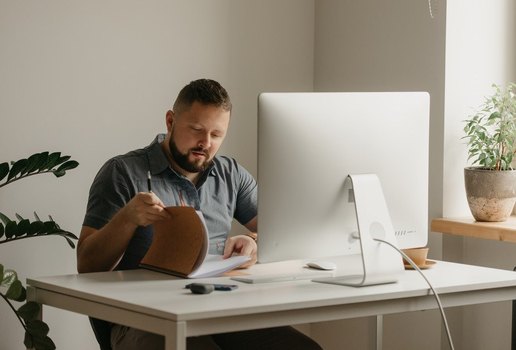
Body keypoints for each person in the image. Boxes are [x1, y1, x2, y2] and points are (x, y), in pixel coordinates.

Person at [77, 79, 323, 350]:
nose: (205, 143)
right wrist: (127, 218)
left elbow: (284, 232)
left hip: (219, 312)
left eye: (216, 135)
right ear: (170, 121)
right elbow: (87, 266)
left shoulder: (231, 175)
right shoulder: (122, 172)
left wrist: (253, 242)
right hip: (143, 319)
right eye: (196, 130)